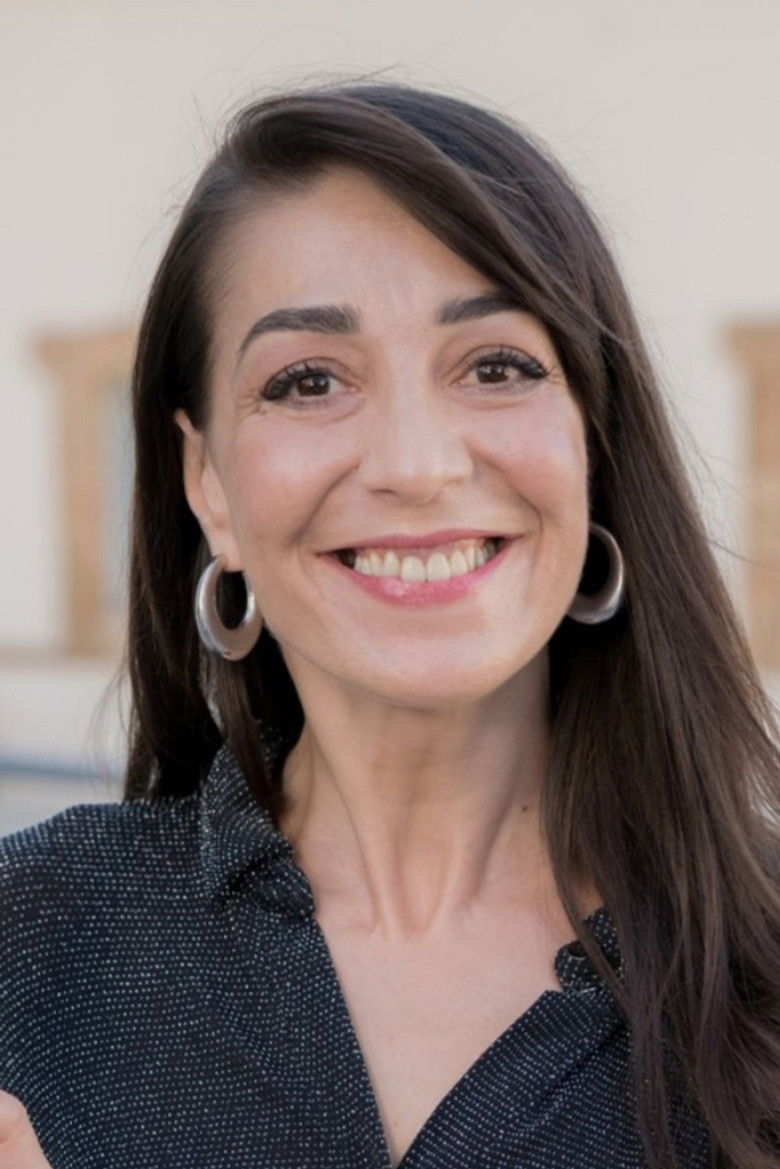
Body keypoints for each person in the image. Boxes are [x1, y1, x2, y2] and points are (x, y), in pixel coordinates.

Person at [1, 79, 779, 1169]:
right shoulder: (29, 944)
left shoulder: (760, 964)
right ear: (207, 481)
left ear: (594, 442)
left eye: (498, 366)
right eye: (308, 381)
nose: (417, 464)